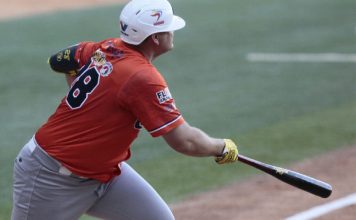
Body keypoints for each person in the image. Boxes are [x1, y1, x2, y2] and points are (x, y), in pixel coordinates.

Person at [11, 0, 238, 219]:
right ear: (156, 38)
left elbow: (60, 60)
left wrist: (80, 89)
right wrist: (220, 147)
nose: (173, 32)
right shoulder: (142, 77)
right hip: (51, 176)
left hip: (106, 175)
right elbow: (184, 141)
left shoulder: (106, 47)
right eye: (169, 28)